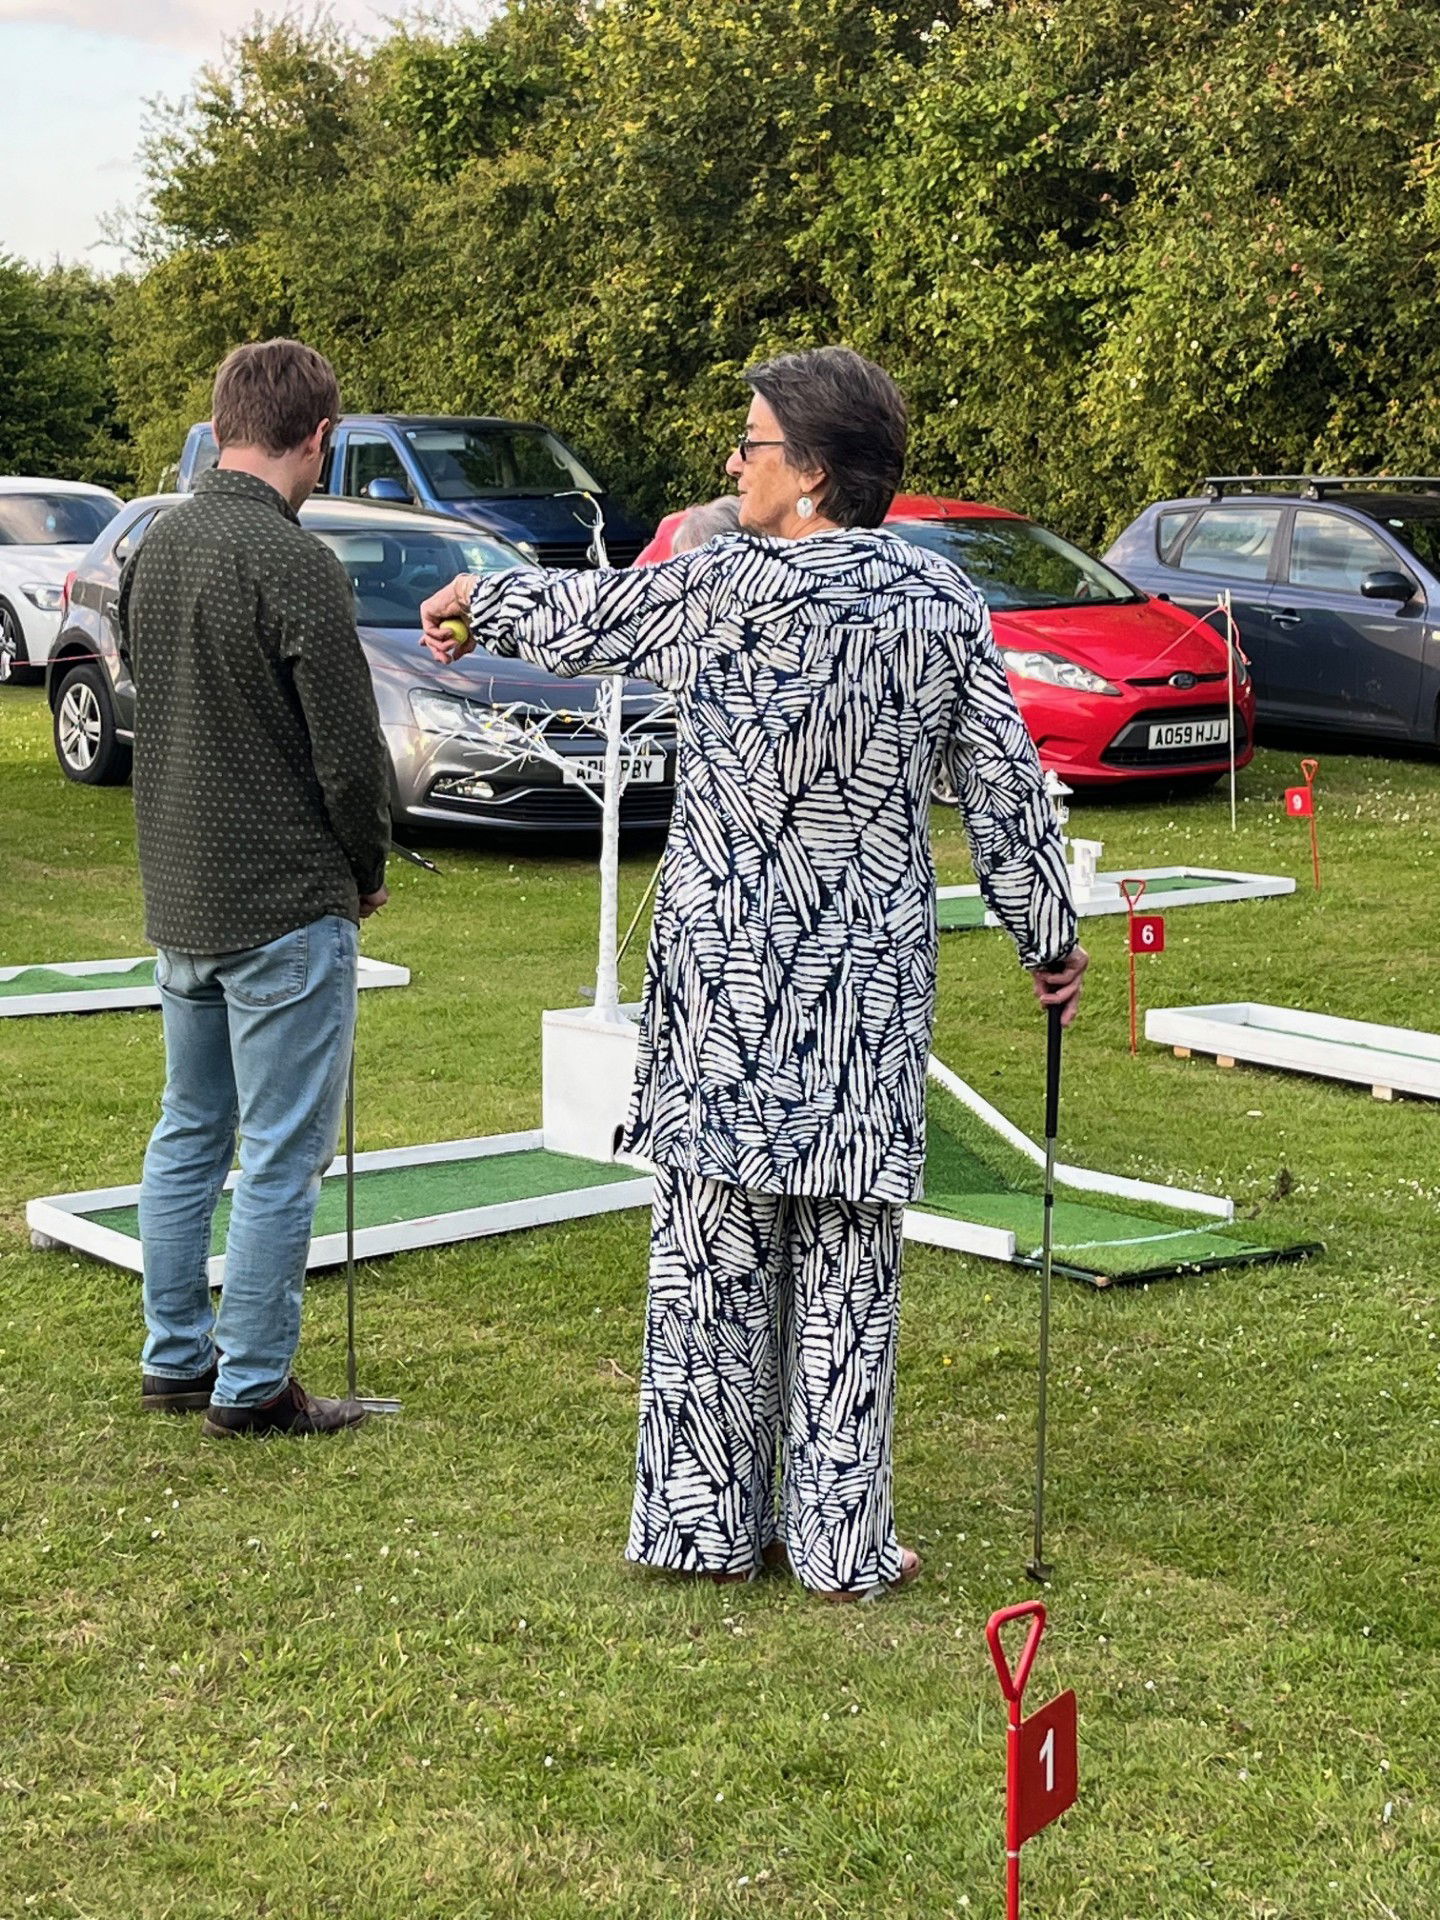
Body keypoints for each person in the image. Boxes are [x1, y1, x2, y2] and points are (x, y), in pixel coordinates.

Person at [420, 346, 1087, 1597]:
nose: (736, 462)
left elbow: (578, 616)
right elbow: (1003, 784)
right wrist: (1046, 929)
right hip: (861, 994)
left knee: (712, 1261)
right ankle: (841, 1542)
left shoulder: (722, 587)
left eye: (754, 443)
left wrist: (472, 600)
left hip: (727, 989)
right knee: (847, 1269)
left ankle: (703, 1525)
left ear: (817, 472)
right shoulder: (940, 602)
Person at [120, 338, 392, 1439]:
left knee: (189, 1129)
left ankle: (176, 1357)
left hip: (182, 892)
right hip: (282, 901)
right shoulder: (296, 563)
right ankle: (250, 1386)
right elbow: (348, 753)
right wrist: (365, 865)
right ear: (318, 436)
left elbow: (156, 694)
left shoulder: (156, 544)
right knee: (279, 1153)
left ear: (225, 422)